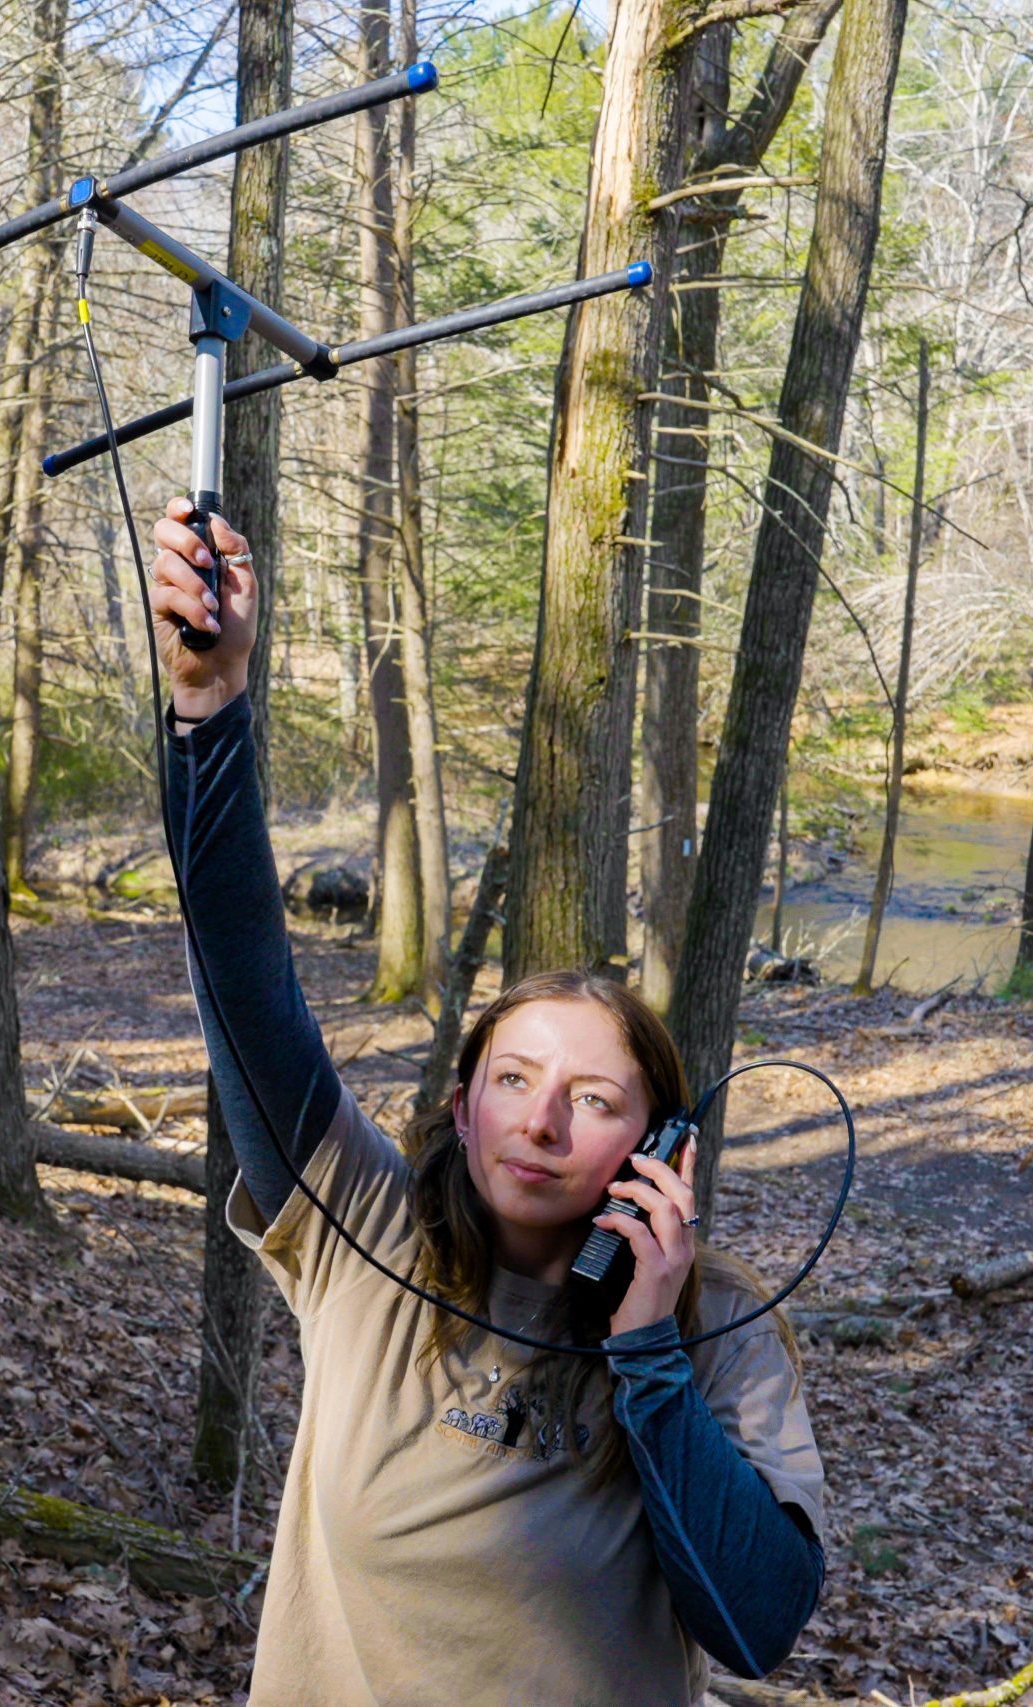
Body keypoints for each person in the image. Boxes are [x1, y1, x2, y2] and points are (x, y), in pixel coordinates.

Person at [147, 498, 828, 1704]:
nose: (539, 1121)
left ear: (657, 1144)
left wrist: (646, 1351)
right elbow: (241, 977)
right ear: (461, 1107)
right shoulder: (363, 1227)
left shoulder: (715, 1329)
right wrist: (209, 704)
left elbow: (755, 1623)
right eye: (511, 1081)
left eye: (592, 1097)